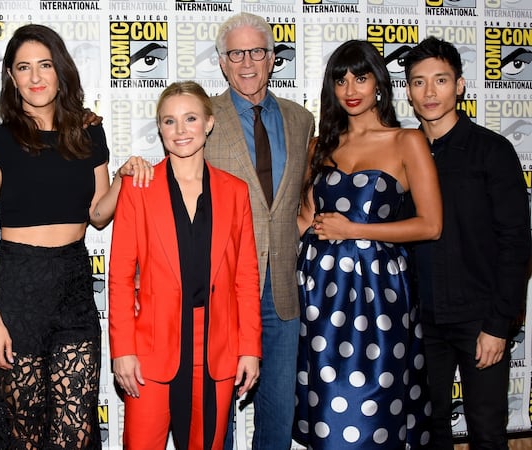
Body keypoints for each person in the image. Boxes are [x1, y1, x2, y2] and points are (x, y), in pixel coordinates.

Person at [0, 24, 151, 449]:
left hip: (72, 285)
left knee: (74, 428)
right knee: (25, 433)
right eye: (23, 68)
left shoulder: (89, 134)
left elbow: (98, 216)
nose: (35, 77)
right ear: (11, 79)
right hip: (16, 288)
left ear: (61, 70)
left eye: (45, 65)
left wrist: (123, 176)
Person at [294, 39, 442, 449]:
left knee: (376, 406)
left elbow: (430, 225)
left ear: (378, 81)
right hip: (320, 295)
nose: (351, 88)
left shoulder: (406, 141)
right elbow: (305, 219)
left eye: (360, 76)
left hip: (379, 298)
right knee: (326, 411)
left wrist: (355, 230)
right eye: (340, 80)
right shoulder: (318, 146)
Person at [109, 81, 262, 450]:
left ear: (209, 123)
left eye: (190, 118)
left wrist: (250, 348)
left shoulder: (235, 190)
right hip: (151, 346)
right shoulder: (138, 187)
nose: (180, 131)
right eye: (169, 121)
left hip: (216, 346)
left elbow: (245, 276)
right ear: (159, 128)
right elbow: (118, 276)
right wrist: (122, 351)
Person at [403, 36, 532, 449]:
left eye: (440, 80)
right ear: (408, 91)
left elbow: (516, 243)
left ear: (459, 86)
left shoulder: (492, 151)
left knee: (487, 431)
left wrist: (498, 325)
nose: (429, 92)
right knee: (430, 429)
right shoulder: (404, 155)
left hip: (480, 318)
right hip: (422, 321)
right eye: (419, 82)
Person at [206, 12, 315, 450]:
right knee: (217, 407)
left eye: (257, 51)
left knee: (278, 408)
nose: (246, 62)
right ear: (222, 61)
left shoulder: (300, 119)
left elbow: (304, 195)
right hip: (221, 285)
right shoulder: (202, 116)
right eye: (236, 53)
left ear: (273, 58)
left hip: (283, 288)